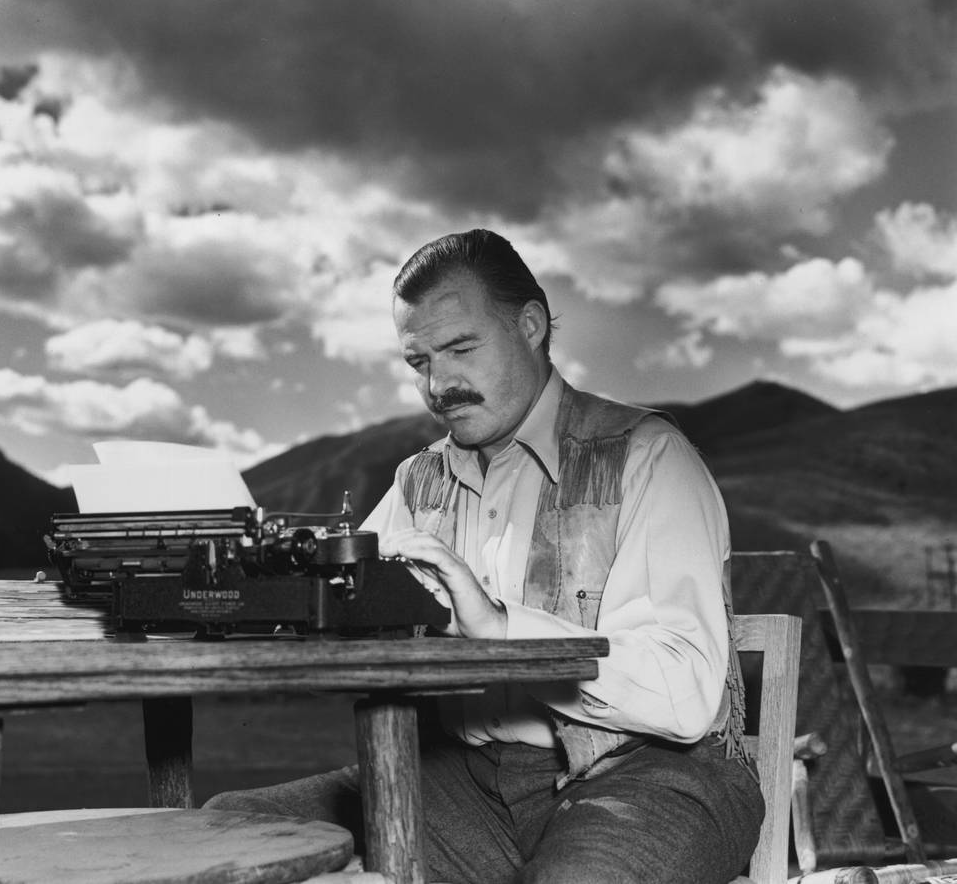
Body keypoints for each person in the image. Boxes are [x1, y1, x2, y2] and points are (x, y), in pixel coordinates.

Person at [205, 228, 764, 884]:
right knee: (230, 832)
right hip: (467, 783)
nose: (439, 383)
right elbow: (336, 604)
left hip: (655, 778)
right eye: (419, 362)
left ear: (529, 325)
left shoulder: (648, 456)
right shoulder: (418, 481)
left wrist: (498, 628)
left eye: (460, 349)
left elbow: (686, 697)